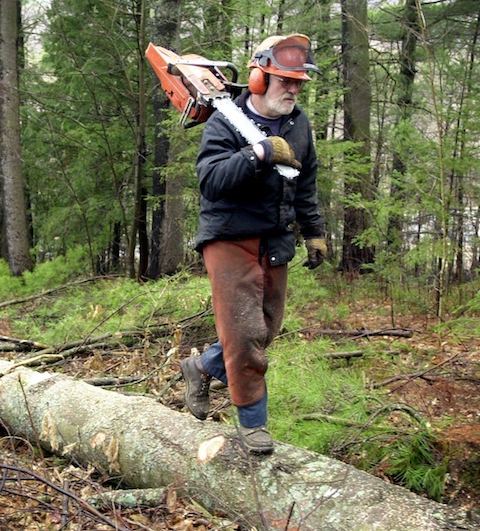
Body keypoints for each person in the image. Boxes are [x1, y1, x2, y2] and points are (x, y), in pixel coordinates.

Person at [180, 34, 327, 454]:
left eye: (299, 82)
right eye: (285, 80)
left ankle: (202, 365)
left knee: (264, 331)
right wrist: (259, 153)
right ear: (259, 77)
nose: (294, 89)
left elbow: (307, 181)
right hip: (229, 236)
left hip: (275, 235)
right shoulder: (224, 121)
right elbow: (211, 181)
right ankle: (253, 425)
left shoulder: (299, 124)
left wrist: (313, 230)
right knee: (244, 336)